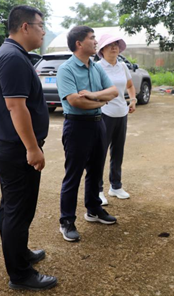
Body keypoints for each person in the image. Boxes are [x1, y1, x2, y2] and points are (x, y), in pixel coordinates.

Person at [0, 5, 57, 291]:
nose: (44, 31)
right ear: (25, 27)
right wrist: (32, 148)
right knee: (18, 210)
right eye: (41, 25)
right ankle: (20, 274)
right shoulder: (13, 58)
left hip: (10, 146)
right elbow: (16, 106)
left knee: (14, 208)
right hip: (17, 149)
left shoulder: (12, 55)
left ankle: (19, 253)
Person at [56, 26, 119, 242]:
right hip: (76, 126)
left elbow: (114, 91)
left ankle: (93, 210)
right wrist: (101, 100)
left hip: (97, 123)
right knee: (73, 174)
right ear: (79, 44)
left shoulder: (95, 67)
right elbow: (74, 101)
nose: (96, 42)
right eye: (92, 39)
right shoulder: (66, 69)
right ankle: (66, 221)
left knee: (95, 170)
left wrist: (93, 95)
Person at [95, 34, 137, 205]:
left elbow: (129, 85)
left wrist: (132, 99)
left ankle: (116, 186)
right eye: (110, 45)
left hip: (122, 113)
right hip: (104, 113)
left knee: (118, 152)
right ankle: (97, 190)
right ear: (102, 50)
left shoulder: (122, 66)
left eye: (116, 45)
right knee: (100, 153)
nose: (114, 47)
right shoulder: (97, 67)